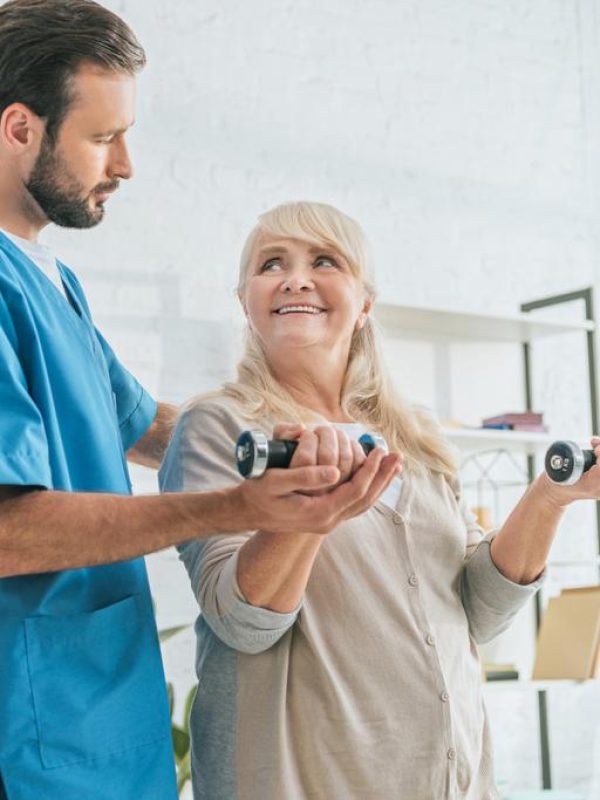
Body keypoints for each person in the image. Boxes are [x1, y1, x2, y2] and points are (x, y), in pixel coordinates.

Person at [0, 4, 400, 799]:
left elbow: (144, 424)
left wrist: (303, 434)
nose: (127, 164)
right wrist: (237, 504)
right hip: (32, 723)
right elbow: (8, 532)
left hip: (106, 714)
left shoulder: (51, 281)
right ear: (19, 129)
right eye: (104, 136)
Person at [160, 200, 600, 800]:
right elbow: (243, 622)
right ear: (245, 302)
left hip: (449, 779)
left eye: (323, 260)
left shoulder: (416, 437)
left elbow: (480, 611)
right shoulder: (221, 427)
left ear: (365, 302)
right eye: (271, 264)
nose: (295, 277)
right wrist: (312, 509)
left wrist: (552, 498)